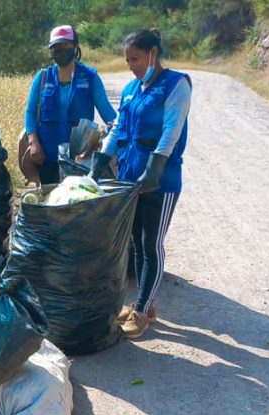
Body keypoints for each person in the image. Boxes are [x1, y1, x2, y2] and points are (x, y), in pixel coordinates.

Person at [89, 28, 192, 339]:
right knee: (134, 245)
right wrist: (103, 156)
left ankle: (144, 309)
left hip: (160, 180)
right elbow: (120, 126)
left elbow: (171, 130)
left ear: (152, 54)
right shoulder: (133, 88)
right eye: (127, 59)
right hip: (131, 177)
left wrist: (156, 166)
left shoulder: (176, 84)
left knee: (151, 244)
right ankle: (142, 303)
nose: (131, 65)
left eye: (135, 58)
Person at [20, 25, 116, 185]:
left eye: (65, 46)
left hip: (79, 159)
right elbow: (30, 113)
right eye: (56, 47)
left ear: (75, 48)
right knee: (50, 202)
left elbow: (109, 115)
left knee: (75, 204)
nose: (60, 51)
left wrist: (119, 136)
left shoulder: (90, 78)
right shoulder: (43, 78)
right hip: (47, 155)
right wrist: (34, 143)